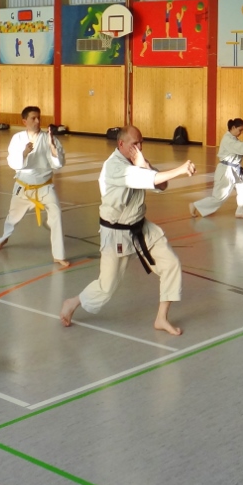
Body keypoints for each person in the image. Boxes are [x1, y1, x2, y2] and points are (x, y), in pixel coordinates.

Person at [59, 126, 196, 336]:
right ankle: (72, 302)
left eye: (141, 142)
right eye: (134, 143)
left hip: (140, 226)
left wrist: (146, 165)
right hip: (117, 233)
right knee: (106, 287)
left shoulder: (137, 161)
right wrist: (180, 169)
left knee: (171, 264)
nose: (139, 147)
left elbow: (162, 185)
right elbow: (149, 179)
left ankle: (161, 318)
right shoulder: (114, 166)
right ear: (121, 144)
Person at [0, 106, 69, 267]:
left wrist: (54, 150)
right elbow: (13, 163)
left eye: (38, 118)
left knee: (56, 214)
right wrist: (24, 153)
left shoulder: (49, 139)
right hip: (24, 187)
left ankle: (59, 255)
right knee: (13, 217)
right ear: (24, 121)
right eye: (33, 118)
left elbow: (58, 164)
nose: (37, 121)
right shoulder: (18, 138)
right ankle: (3, 238)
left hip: (45, 187)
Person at [189, 118, 243, 220]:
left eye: (242, 130)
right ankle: (195, 205)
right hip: (225, 171)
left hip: (235, 170)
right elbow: (241, 148)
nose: (240, 133)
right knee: (219, 198)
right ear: (233, 127)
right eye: (240, 130)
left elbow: (242, 153)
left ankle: (242, 212)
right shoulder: (228, 140)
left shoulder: (234, 139)